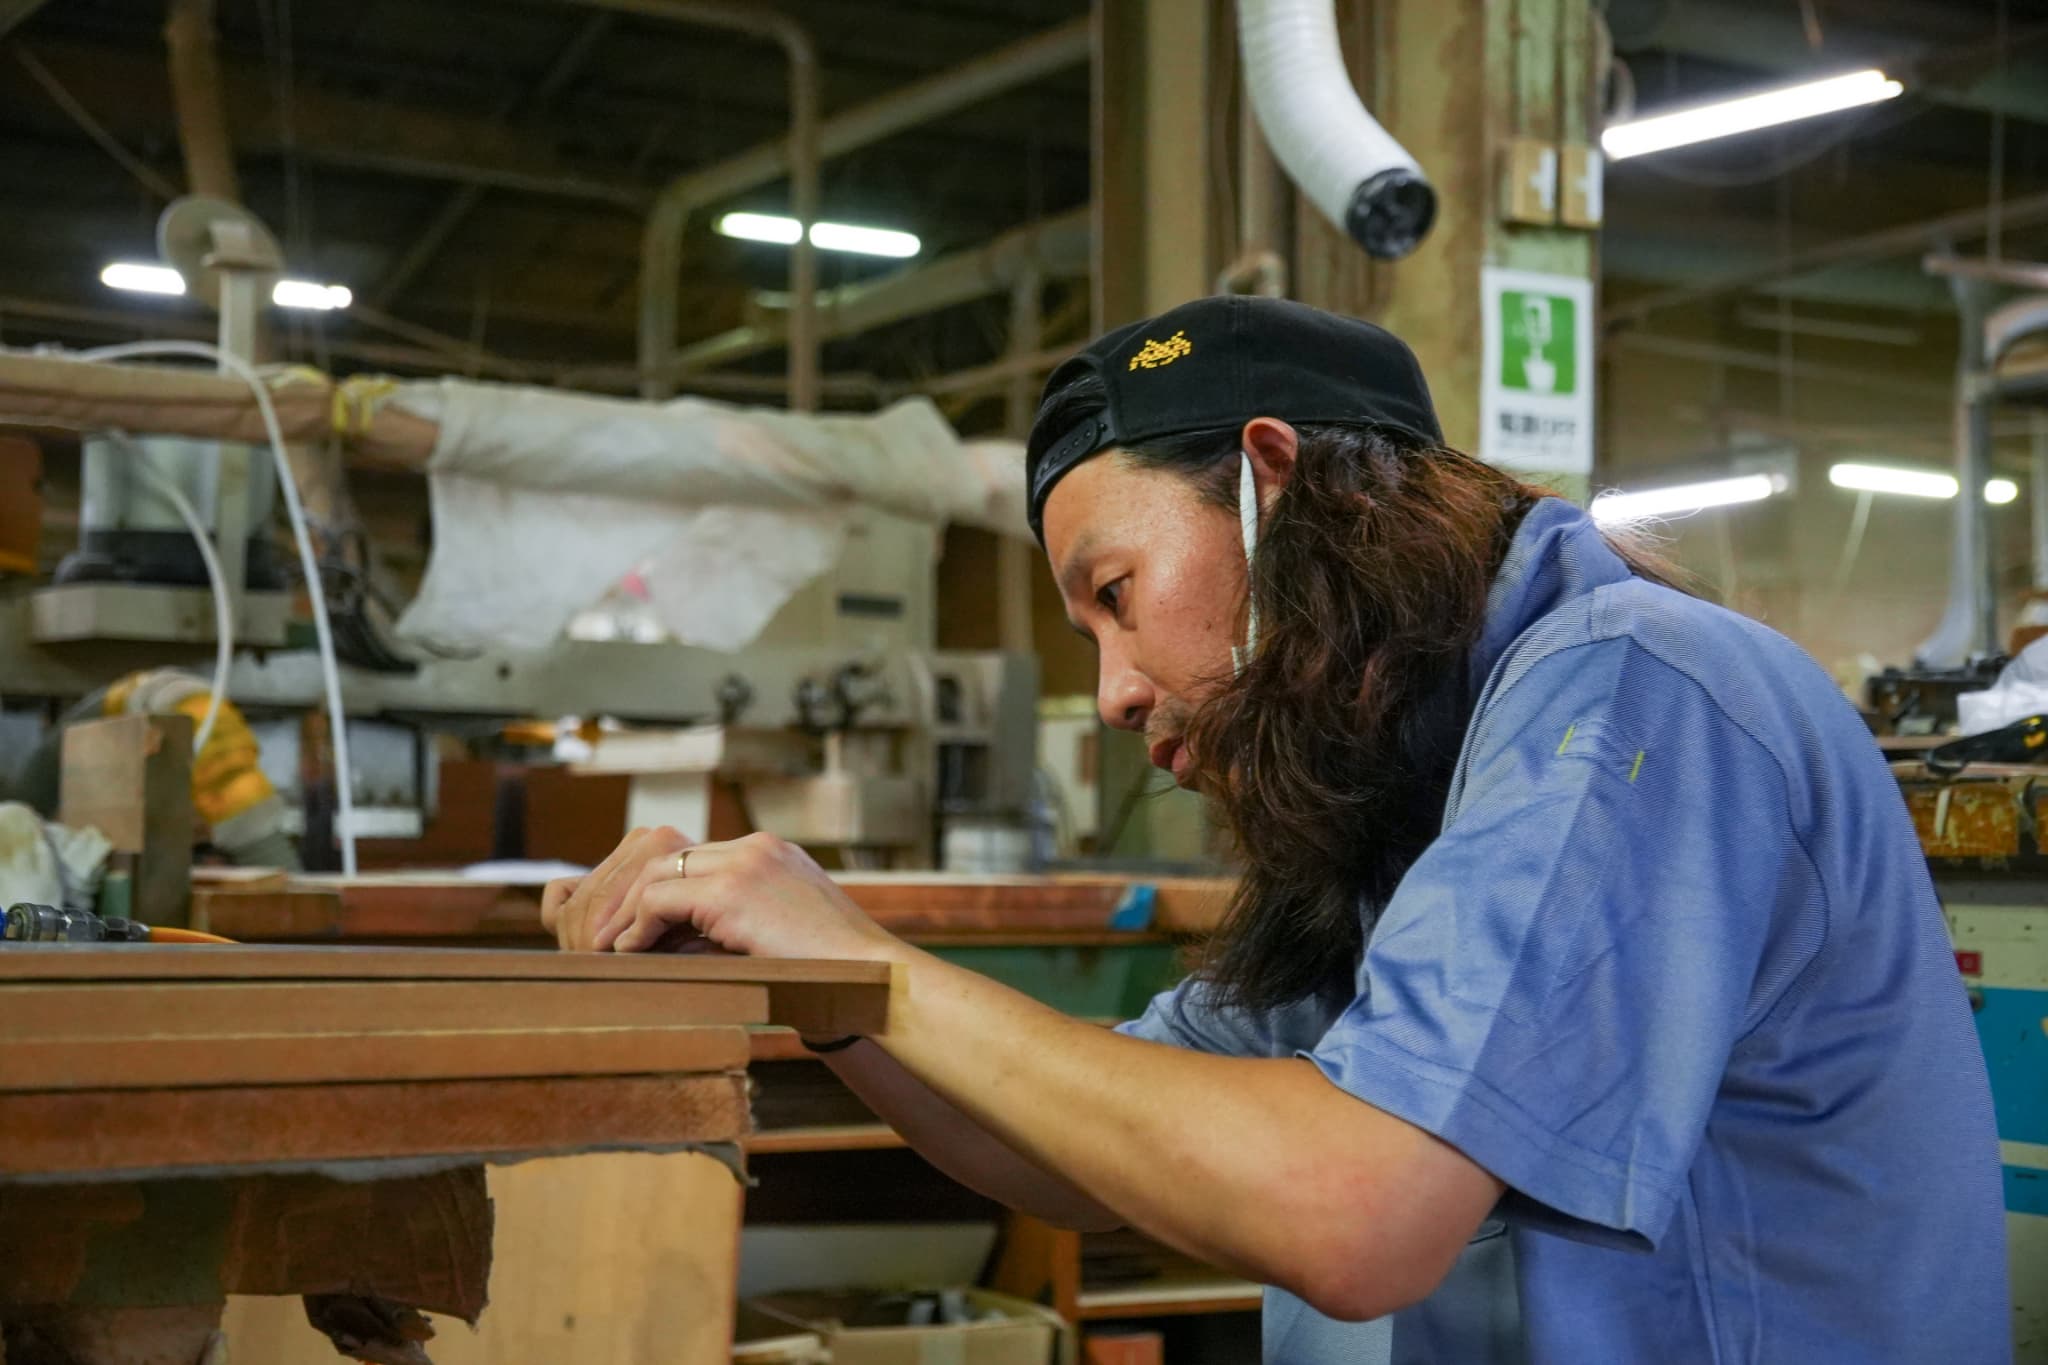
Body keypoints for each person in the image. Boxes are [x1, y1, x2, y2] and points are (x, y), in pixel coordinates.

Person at [544, 296, 2011, 1363]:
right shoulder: (1395, 780)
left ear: (1273, 478)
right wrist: (833, 999)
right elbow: (1097, 1133)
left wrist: (879, 960)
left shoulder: (1630, 688)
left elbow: (1356, 1208)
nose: (1115, 692)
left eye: (1115, 595)